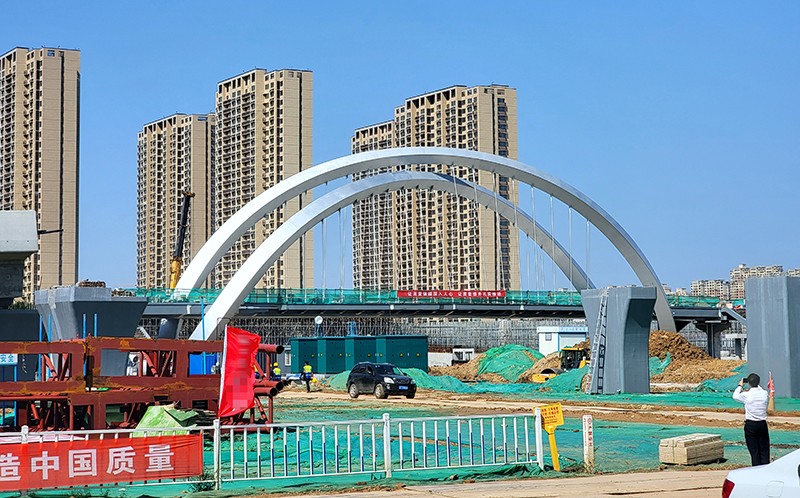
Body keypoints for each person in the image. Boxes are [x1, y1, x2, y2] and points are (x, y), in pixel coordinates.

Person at [733, 372, 770, 466]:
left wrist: (740, 385)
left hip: (751, 425)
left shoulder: (747, 395)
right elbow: (759, 389)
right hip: (762, 424)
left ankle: (756, 468)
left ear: (748, 383)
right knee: (764, 450)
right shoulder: (764, 393)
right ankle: (765, 468)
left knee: (754, 451)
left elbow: (735, 396)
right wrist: (754, 384)